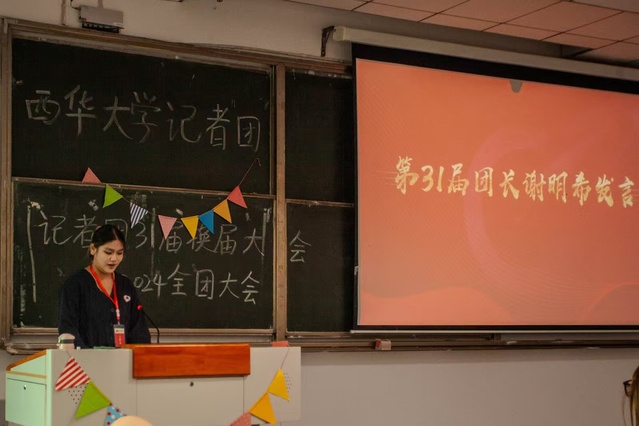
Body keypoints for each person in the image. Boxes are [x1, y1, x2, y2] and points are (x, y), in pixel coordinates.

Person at [58, 224, 151, 348]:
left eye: (119, 253)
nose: (114, 258)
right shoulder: (75, 285)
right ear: (93, 249)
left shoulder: (126, 285)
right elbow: (68, 329)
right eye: (108, 252)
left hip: (124, 359)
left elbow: (139, 331)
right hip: (86, 358)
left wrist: (139, 354)